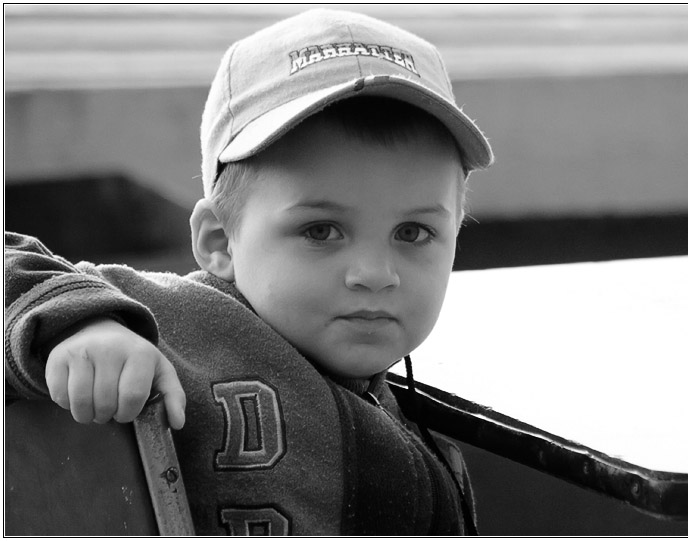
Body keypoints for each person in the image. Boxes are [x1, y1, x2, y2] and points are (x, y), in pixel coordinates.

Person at [4, 8, 492, 535]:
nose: (375, 274)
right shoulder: (166, 324)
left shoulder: (411, 423)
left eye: (413, 234)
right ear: (219, 242)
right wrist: (75, 323)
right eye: (321, 231)